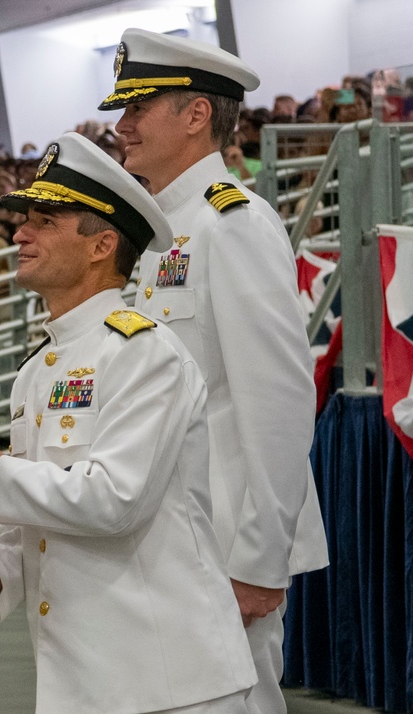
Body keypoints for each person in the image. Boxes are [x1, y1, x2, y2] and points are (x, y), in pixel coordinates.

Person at [0, 132, 257, 713]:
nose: (19, 233)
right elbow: (39, 522)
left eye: (45, 221)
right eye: (23, 219)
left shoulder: (142, 352)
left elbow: (115, 500)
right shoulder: (38, 370)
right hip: (85, 679)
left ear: (101, 244)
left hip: (169, 681)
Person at [100, 28, 329, 713]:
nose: (122, 126)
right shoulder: (155, 234)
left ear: (196, 115)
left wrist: (260, 560)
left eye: (139, 108)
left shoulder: (233, 224)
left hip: (225, 545)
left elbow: (278, 401)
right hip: (163, 538)